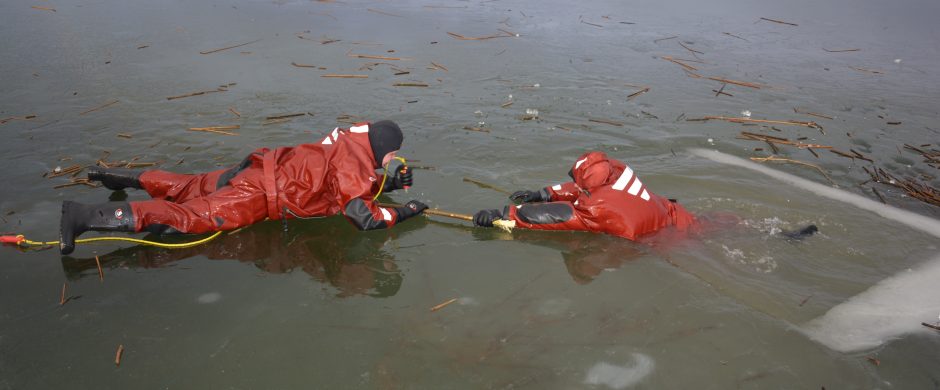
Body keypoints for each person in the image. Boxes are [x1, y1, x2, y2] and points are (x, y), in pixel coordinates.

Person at [59, 120, 429, 255]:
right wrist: (405, 212)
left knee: (191, 185)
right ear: (383, 148)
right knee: (192, 217)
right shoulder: (355, 164)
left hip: (259, 168)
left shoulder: (346, 142)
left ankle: (123, 179)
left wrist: (388, 181)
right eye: (392, 155)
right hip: (260, 195)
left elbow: (336, 184)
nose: (392, 158)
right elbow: (362, 216)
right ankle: (86, 215)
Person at [472, 151, 696, 240]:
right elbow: (585, 187)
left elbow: (557, 216)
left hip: (668, 240)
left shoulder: (597, 208)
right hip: (680, 217)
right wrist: (544, 193)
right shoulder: (616, 173)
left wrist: (503, 214)